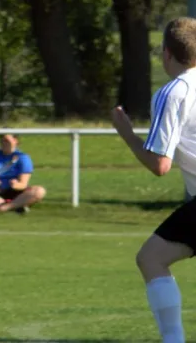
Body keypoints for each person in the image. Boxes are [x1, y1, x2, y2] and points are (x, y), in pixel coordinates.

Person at [112, 17, 196, 343]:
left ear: (165, 54)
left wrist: (128, 134)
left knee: (151, 258)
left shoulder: (172, 92)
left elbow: (160, 165)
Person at [0, 133, 46, 214]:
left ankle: (2, 208)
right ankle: (15, 205)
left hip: (16, 191)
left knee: (39, 191)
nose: (4, 143)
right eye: (2, 141)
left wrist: (16, 185)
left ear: (15, 141)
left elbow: (23, 184)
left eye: (7, 141)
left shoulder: (23, 157)